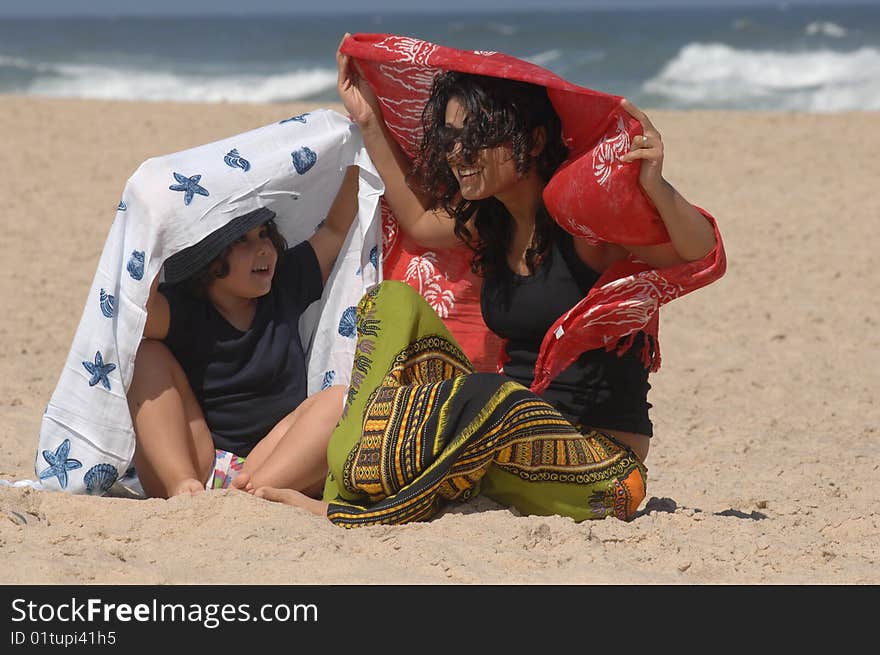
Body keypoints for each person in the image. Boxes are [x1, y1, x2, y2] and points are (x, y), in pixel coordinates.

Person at [255, 36, 719, 524]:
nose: (458, 152)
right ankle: (346, 481)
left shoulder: (584, 228)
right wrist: (369, 121)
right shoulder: (490, 224)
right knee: (391, 303)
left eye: (476, 136)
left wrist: (655, 186)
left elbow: (696, 251)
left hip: (599, 472)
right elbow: (417, 221)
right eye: (451, 137)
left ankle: (353, 503)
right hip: (501, 447)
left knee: (497, 396)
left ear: (533, 140)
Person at [127, 166, 359, 499]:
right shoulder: (186, 309)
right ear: (207, 260)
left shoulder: (285, 284)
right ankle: (181, 487)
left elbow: (335, 231)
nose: (264, 248)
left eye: (265, 234)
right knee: (145, 354)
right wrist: (154, 230)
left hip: (274, 463)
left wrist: (362, 143)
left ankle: (247, 496)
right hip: (200, 464)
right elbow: (140, 316)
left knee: (338, 400)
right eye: (243, 241)